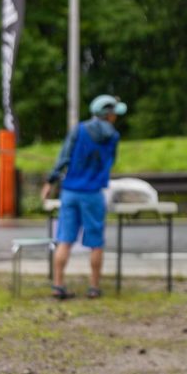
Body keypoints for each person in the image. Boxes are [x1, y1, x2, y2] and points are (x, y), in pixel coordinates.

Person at [40, 94, 126, 299]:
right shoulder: (113, 136)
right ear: (108, 114)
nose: (116, 117)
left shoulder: (79, 130)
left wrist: (50, 181)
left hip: (70, 191)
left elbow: (64, 157)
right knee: (96, 242)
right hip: (93, 193)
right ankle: (94, 287)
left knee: (65, 239)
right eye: (114, 113)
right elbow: (110, 162)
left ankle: (58, 285)